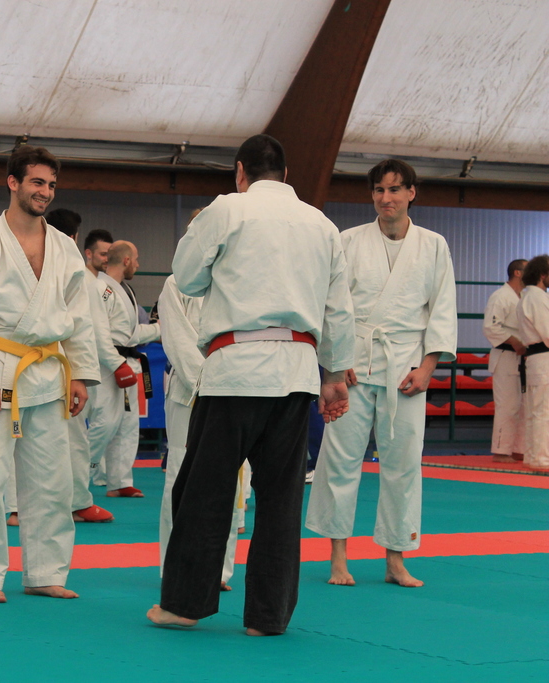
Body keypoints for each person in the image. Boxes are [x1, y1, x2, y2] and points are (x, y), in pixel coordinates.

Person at [148, 134, 356, 635]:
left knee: (205, 491)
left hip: (235, 370)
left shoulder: (227, 209)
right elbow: (339, 310)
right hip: (297, 372)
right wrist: (334, 376)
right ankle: (268, 616)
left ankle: (184, 605)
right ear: (285, 174)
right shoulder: (322, 225)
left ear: (240, 171)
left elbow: (186, 278)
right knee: (281, 500)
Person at [0, 144, 99, 603]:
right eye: (37, 182)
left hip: (49, 371)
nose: (45, 192)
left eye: (51, 184)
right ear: (13, 182)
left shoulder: (64, 248)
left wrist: (80, 374)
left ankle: (45, 572)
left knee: (52, 479)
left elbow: (80, 315)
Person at [306, 159, 457, 589]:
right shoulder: (348, 240)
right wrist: (337, 361)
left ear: (411, 193)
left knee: (404, 465)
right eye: (378, 190)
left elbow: (442, 308)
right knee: (339, 462)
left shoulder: (433, 245)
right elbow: (330, 303)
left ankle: (396, 558)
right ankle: (338, 557)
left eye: (394, 189)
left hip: (406, 369)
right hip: (353, 366)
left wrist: (427, 367)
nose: (385, 198)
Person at [157, 209, 241, 590]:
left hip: (235, 389)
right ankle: (176, 566)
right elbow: (176, 340)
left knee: (231, 479)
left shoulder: (239, 281)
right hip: (190, 392)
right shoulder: (175, 284)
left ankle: (218, 568)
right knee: (181, 476)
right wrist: (208, 380)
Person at [46, 208, 115, 523]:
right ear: (74, 237)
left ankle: (22, 506)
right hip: (61, 363)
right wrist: (83, 375)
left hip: (37, 361)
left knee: (25, 437)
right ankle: (76, 502)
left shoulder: (38, 260)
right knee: (72, 437)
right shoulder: (78, 271)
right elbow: (89, 326)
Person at [88, 241, 160, 498]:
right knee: (106, 423)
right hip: (108, 365)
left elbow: (129, 334)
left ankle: (119, 481)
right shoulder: (100, 288)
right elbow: (99, 334)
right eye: (136, 259)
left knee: (127, 425)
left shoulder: (124, 289)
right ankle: (79, 471)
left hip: (128, 362)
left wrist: (160, 329)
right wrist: (117, 364)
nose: (138, 265)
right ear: (126, 260)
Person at [483, 259, 528, 463]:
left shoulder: (525, 297)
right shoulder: (500, 296)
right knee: (507, 406)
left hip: (523, 359)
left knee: (523, 407)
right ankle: (501, 451)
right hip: (505, 356)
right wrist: (515, 342)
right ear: (517, 272)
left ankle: (518, 449)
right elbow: (491, 327)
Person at [516, 255, 549, 471]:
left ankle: (532, 456)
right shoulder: (536, 298)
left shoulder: (528, 296)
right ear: (542, 275)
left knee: (535, 411)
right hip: (543, 358)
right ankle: (541, 459)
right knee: (543, 411)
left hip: (537, 358)